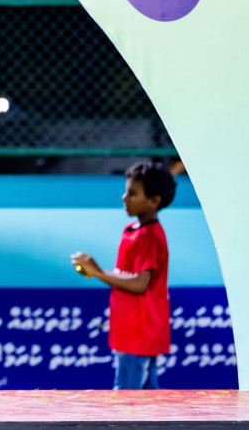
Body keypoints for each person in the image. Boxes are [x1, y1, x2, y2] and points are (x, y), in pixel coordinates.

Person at [71, 160, 176, 390]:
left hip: (139, 334)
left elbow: (140, 283)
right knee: (148, 396)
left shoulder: (150, 235)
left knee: (128, 399)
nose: (124, 198)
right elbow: (125, 276)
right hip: (129, 329)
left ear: (154, 201)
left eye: (132, 194)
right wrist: (95, 272)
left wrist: (98, 272)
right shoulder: (132, 231)